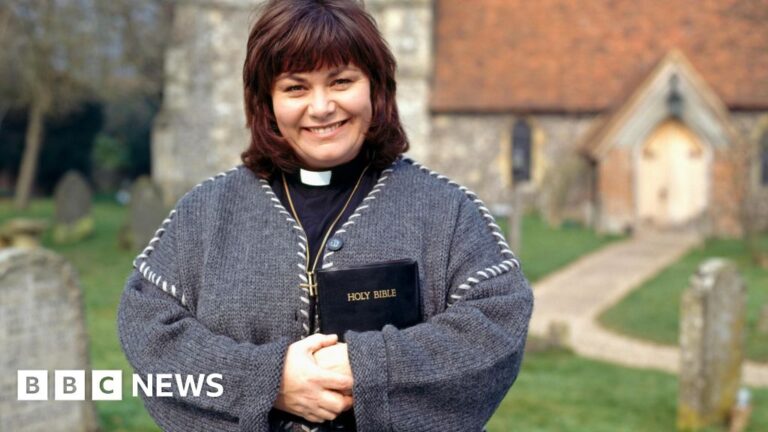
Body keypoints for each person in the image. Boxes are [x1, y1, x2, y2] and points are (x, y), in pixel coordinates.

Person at [117, 0, 533, 431]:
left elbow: (497, 319)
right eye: (295, 88)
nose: (321, 107)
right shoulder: (204, 212)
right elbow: (147, 326)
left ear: (376, 87)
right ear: (267, 102)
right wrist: (267, 380)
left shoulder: (448, 211)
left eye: (341, 81)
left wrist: (367, 367)